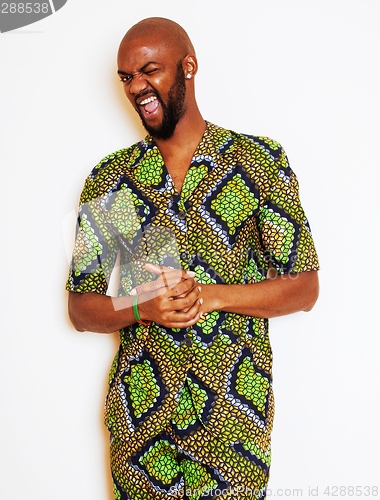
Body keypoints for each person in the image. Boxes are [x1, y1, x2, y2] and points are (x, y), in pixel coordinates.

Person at [66, 17, 319, 500]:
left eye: (150, 70)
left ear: (189, 66)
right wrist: (143, 308)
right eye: (126, 77)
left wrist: (211, 296)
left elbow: (304, 288)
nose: (137, 86)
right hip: (139, 420)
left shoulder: (257, 162)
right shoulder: (113, 179)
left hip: (232, 420)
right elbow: (81, 309)